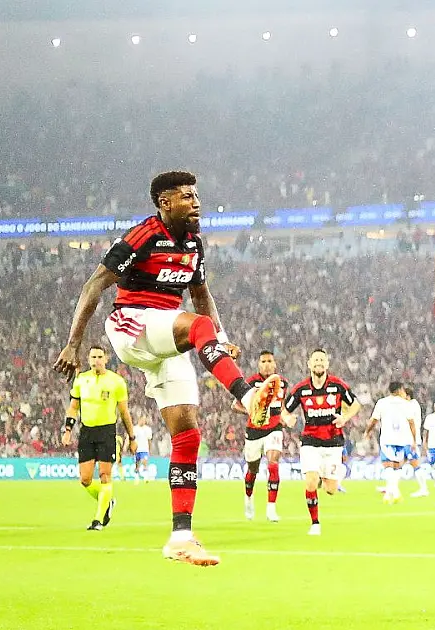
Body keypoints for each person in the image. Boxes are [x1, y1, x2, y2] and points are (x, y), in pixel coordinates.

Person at [52, 170, 282, 566]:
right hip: (131, 324)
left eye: (197, 196)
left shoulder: (193, 244)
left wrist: (221, 336)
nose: (196, 203)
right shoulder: (142, 236)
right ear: (164, 203)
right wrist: (73, 344)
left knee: (187, 434)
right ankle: (246, 394)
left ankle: (180, 537)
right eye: (187, 197)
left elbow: (201, 293)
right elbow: (94, 285)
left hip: (164, 338)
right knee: (196, 325)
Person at [281, 348, 361, 535]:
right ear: (309, 364)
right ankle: (315, 523)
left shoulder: (337, 385)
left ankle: (333, 474)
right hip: (310, 441)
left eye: (322, 360)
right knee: (310, 483)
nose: (318, 363)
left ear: (327, 364)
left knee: (330, 490)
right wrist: (288, 418)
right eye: (315, 360)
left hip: (333, 442)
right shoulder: (301, 388)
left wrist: (345, 418)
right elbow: (285, 409)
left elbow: (356, 404)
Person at [61, 346, 135, 531]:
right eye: (93, 356)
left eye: (100, 356)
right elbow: (73, 407)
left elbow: (124, 412)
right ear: (88, 359)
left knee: (105, 475)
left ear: (106, 358)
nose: (96, 360)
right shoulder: (81, 380)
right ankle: (108, 502)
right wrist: (68, 430)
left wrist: (132, 437)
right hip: (87, 432)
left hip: (107, 432)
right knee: (85, 479)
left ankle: (98, 520)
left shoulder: (116, 382)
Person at [242, 351, 289, 522]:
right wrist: (253, 411)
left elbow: (281, 407)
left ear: (275, 363)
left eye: (270, 361)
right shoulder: (250, 383)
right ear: (258, 364)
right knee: (252, 470)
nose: (267, 364)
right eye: (263, 361)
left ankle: (271, 508)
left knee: (273, 463)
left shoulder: (282, 383)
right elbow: (235, 405)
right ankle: (248, 497)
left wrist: (286, 417)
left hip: (274, 428)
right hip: (254, 431)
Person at [366, 382, 418, 504]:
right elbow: (412, 423)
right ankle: (394, 492)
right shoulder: (406, 404)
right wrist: (414, 440)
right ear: (399, 390)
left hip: (387, 439)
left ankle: (390, 493)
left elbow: (374, 420)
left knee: (388, 465)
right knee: (397, 466)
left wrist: (367, 432)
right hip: (402, 439)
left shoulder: (382, 402)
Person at [133, 417, 154, 484]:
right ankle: (136, 478)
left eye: (144, 420)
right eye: (142, 420)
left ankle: (146, 478)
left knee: (144, 462)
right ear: (139, 420)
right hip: (136, 449)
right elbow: (131, 439)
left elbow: (149, 440)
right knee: (137, 464)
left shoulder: (148, 429)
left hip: (144, 449)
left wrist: (149, 449)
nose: (143, 421)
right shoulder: (135, 429)